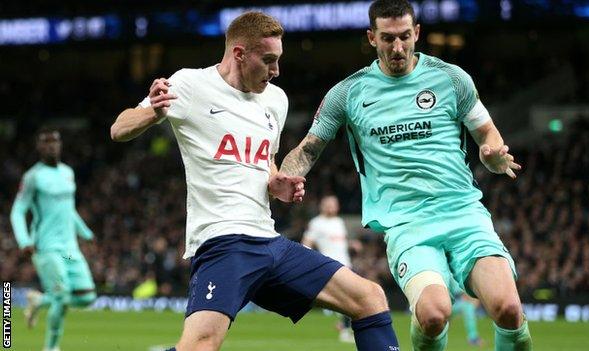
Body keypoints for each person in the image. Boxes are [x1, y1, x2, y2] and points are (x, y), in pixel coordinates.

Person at [110, 12, 399, 351]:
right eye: (268, 60)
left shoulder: (276, 100)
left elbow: (267, 163)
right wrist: (153, 113)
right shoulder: (190, 85)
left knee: (370, 297)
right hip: (223, 241)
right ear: (239, 54)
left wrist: (276, 182)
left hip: (269, 242)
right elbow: (119, 128)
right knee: (201, 346)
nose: (276, 71)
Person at [273, 1, 532, 350]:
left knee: (509, 309)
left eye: (405, 37)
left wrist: (493, 155)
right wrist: (283, 178)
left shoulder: (451, 78)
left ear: (417, 34)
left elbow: (488, 135)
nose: (397, 48)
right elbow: (307, 149)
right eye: (388, 38)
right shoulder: (348, 93)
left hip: (464, 213)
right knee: (434, 314)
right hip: (407, 224)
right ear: (371, 37)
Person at [10, 127, 97, 351]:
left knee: (87, 296)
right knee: (61, 296)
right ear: (39, 147)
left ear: (60, 145)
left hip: (69, 248)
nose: (51, 146)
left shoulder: (68, 172)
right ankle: (51, 348)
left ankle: (39, 301)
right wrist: (24, 240)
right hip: (46, 247)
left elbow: (69, 210)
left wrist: (86, 233)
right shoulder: (33, 177)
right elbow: (18, 211)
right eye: (46, 142)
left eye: (55, 141)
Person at [302, 195, 354, 343]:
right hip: (330, 266)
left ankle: (343, 325)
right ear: (322, 206)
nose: (332, 207)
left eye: (334, 204)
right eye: (329, 204)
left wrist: (353, 245)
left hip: (346, 264)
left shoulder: (339, 222)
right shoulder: (317, 223)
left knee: (348, 297)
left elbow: (340, 244)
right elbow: (307, 243)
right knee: (347, 297)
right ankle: (344, 329)